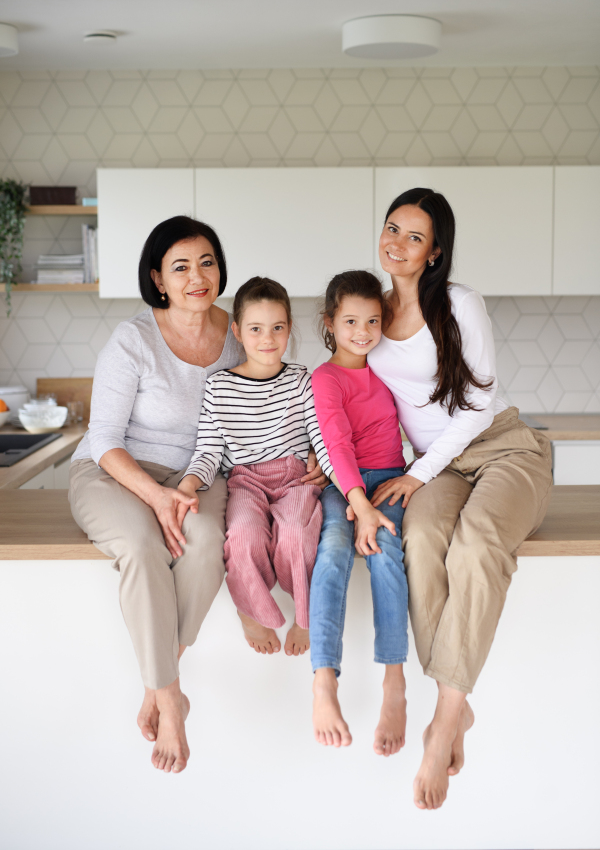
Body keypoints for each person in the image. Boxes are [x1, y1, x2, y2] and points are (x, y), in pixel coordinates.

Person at [69, 216, 328, 775]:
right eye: (180, 266)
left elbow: (277, 402)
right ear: (158, 279)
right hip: (116, 471)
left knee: (208, 542)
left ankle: (160, 680)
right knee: (141, 547)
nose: (196, 276)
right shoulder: (132, 340)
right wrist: (157, 498)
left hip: (199, 474)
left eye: (206, 262)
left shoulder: (241, 332)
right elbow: (105, 439)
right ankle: (169, 698)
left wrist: (312, 449)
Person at [365, 188, 553, 810]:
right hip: (435, 467)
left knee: (475, 546)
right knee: (418, 540)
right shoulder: (369, 310)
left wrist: (418, 474)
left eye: (414, 236)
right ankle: (459, 703)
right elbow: (342, 388)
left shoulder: (458, 303)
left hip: (501, 447)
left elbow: (475, 405)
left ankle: (445, 717)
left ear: (435, 250)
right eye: (392, 228)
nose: (397, 243)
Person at [178, 276, 332, 658]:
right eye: (256, 329)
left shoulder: (301, 380)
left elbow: (322, 435)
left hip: (296, 478)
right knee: (243, 537)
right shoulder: (219, 387)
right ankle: (250, 610)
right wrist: (189, 483)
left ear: (289, 329)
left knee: (296, 533)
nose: (268, 338)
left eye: (278, 327)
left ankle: (305, 614)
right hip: (245, 482)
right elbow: (209, 451)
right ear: (238, 332)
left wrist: (327, 469)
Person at [309, 270, 409, 758]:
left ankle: (395, 681)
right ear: (330, 322)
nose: (363, 331)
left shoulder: (389, 367)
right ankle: (324, 679)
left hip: (391, 478)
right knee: (332, 552)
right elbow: (335, 442)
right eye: (350, 321)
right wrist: (359, 504)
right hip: (344, 485)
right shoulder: (325, 378)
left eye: (372, 320)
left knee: (389, 553)